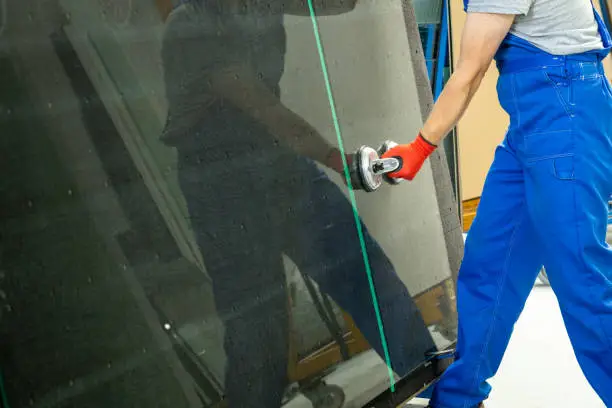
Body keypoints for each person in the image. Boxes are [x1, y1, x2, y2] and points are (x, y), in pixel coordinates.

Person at [160, 1, 437, 407]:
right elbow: (259, 104)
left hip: (272, 159)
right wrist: (338, 160)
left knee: (363, 270)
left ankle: (439, 387)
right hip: (220, 183)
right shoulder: (191, 23)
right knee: (258, 332)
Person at [382, 0, 612, 407]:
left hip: (565, 117)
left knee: (581, 278)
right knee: (489, 264)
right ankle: (458, 397)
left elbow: (470, 74)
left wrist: (419, 147)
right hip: (532, 126)